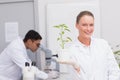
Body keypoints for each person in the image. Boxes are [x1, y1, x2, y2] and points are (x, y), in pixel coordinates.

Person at [66, 11, 120, 80]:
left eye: (91, 25)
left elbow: (114, 71)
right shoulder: (71, 51)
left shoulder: (103, 44)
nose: (88, 29)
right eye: (84, 25)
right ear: (77, 25)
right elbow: (73, 77)